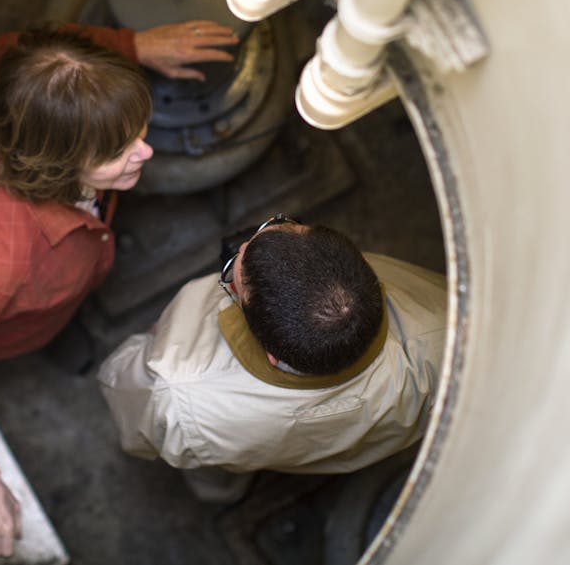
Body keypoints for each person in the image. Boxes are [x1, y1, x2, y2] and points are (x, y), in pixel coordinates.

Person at [0, 19, 237, 558]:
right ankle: (9, 349)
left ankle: (50, 329)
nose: (145, 153)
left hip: (22, 282)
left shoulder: (18, 82)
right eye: (118, 151)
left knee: (50, 317)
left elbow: (3, 47)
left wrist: (133, 47)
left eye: (138, 132)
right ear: (57, 167)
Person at [97, 214, 446, 502]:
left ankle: (223, 493)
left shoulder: (178, 398)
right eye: (274, 224)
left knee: (214, 473)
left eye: (231, 275)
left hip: (222, 443)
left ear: (272, 356)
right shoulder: (444, 326)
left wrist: (151, 343)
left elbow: (127, 403)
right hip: (362, 448)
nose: (243, 244)